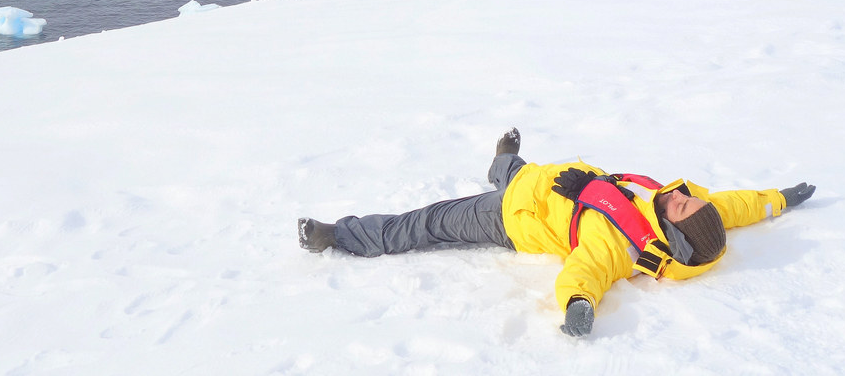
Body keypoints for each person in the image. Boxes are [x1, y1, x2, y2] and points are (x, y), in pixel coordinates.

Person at [298, 129, 815, 337]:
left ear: (674, 233)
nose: (678, 194)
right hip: (541, 181)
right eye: (687, 197)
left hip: (511, 218)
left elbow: (584, 272)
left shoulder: (624, 245)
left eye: (680, 205)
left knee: (425, 223)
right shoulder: (692, 209)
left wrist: (579, 307)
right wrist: (779, 200)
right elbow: (734, 205)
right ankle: (503, 160)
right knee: (513, 170)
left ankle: (340, 237)